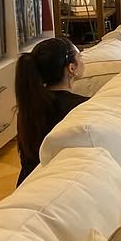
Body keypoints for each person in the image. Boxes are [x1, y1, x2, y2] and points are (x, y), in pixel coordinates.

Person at [15, 37, 88, 185]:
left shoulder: (29, 107)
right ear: (71, 68)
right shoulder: (81, 107)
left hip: (27, 185)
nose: (83, 60)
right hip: (59, 184)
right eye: (80, 56)